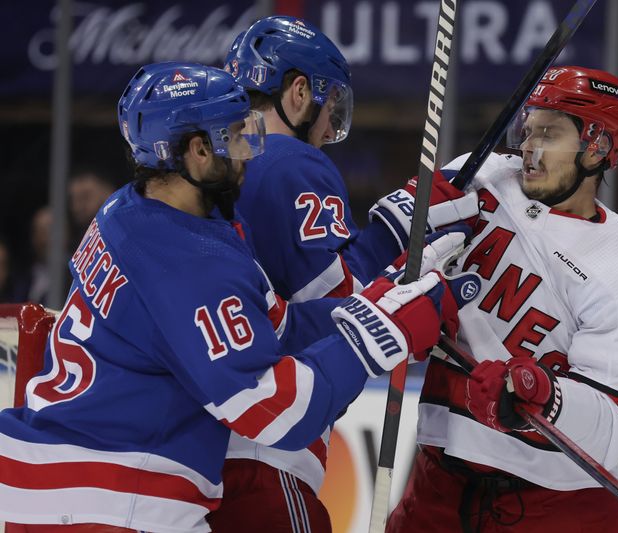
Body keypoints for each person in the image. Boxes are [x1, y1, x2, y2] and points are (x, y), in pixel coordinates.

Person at [0, 61, 471, 532]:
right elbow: (274, 411)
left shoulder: (128, 210)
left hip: (44, 484)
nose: (249, 151)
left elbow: (279, 326)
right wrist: (384, 333)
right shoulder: (190, 262)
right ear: (198, 151)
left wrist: (380, 302)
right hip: (109, 505)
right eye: (234, 136)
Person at [211, 16, 480, 532]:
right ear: (296, 93)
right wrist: (401, 252)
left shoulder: (212, 164)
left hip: (199, 444)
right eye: (327, 106)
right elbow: (348, 309)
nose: (329, 128)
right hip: (266, 448)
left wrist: (388, 231)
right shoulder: (292, 161)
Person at [388, 66, 618, 532]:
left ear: (597, 147)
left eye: (550, 133)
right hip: (438, 482)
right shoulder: (481, 178)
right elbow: (378, 261)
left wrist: (543, 392)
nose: (527, 147)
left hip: (557, 508)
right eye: (528, 130)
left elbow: (617, 423)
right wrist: (403, 244)